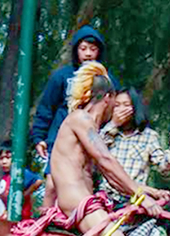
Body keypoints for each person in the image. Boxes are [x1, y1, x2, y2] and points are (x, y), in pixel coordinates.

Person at [47, 61, 169, 236]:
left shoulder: (86, 124)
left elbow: (113, 175)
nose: (119, 108)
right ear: (107, 98)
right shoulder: (81, 120)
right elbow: (107, 161)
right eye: (117, 102)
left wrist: (149, 191)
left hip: (84, 199)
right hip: (77, 201)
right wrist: (140, 197)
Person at [31, 26, 118, 204]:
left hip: (92, 138)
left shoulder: (107, 80)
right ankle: (46, 218)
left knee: (84, 183)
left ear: (99, 52)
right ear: (76, 50)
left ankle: (80, 217)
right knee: (52, 185)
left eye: (93, 49)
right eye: (83, 48)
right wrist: (39, 137)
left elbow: (115, 109)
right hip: (61, 137)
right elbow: (46, 107)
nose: (88, 53)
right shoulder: (61, 76)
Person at [98, 87, 170, 209]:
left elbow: (164, 167)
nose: (121, 110)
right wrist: (113, 124)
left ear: (135, 108)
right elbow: (94, 150)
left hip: (135, 200)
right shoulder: (107, 133)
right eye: (117, 105)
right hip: (106, 199)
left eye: (126, 105)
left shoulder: (149, 136)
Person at [0, 140, 42, 220]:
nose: (4, 162)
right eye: (1, 158)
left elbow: (38, 181)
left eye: (8, 158)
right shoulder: (4, 177)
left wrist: (25, 194)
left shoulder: (19, 173)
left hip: (21, 218)